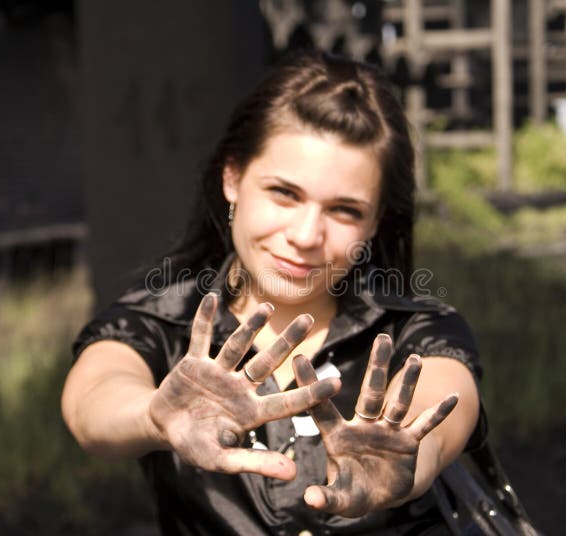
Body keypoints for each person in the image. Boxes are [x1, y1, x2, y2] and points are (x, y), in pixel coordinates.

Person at [61, 50, 485, 535]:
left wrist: (413, 460)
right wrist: (153, 417)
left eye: (344, 210)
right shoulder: (160, 321)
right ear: (233, 178)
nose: (306, 235)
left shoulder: (416, 329)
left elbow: (441, 408)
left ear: (375, 223)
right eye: (284, 193)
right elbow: (92, 401)